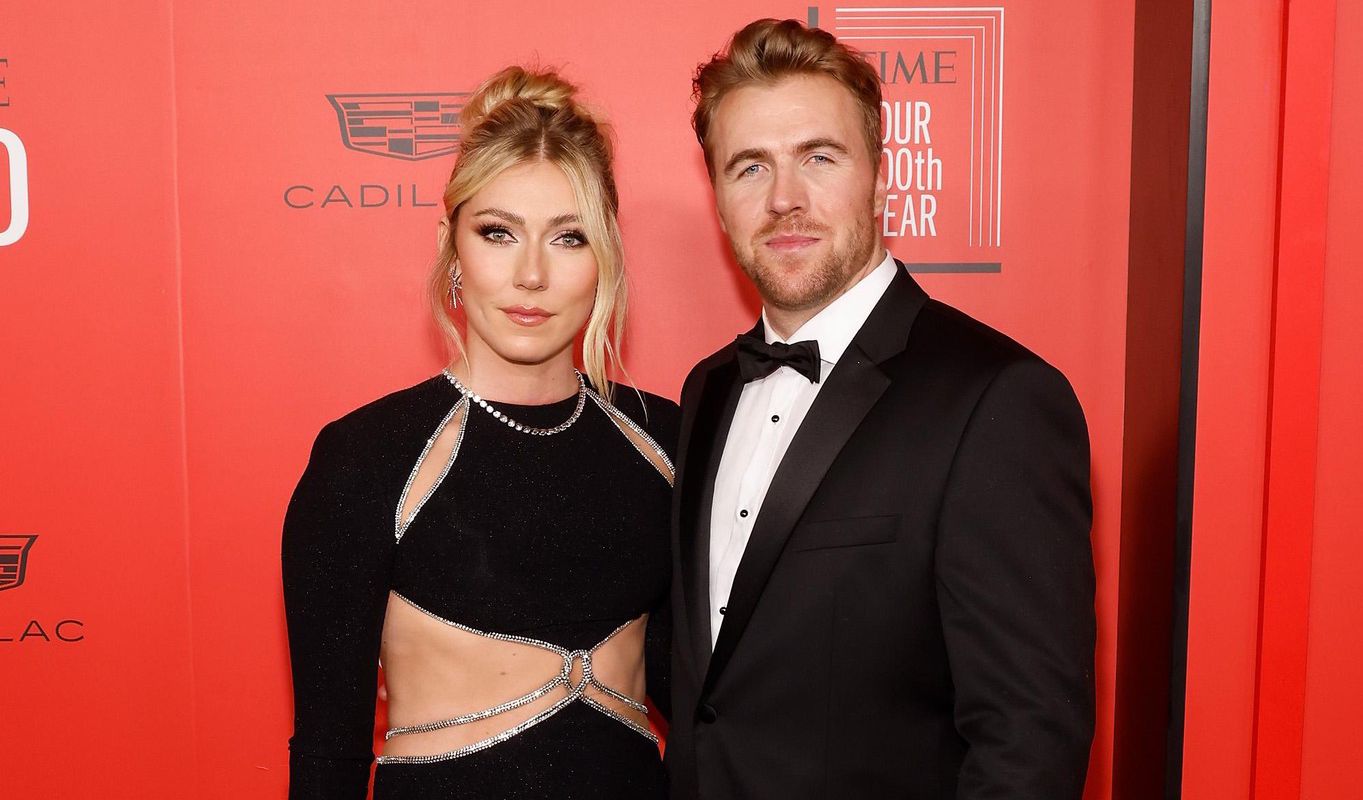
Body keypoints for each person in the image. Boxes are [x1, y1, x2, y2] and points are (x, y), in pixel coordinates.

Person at [667, 19, 1096, 799]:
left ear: (880, 176)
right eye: (748, 168)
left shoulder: (997, 400)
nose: (784, 199)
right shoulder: (707, 390)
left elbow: (1028, 739)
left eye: (818, 158)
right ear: (719, 198)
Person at [282, 66, 676, 800]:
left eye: (568, 238)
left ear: (607, 258)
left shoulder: (667, 443)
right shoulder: (367, 458)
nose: (530, 275)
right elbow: (329, 750)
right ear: (451, 244)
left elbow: (713, 707)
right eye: (498, 233)